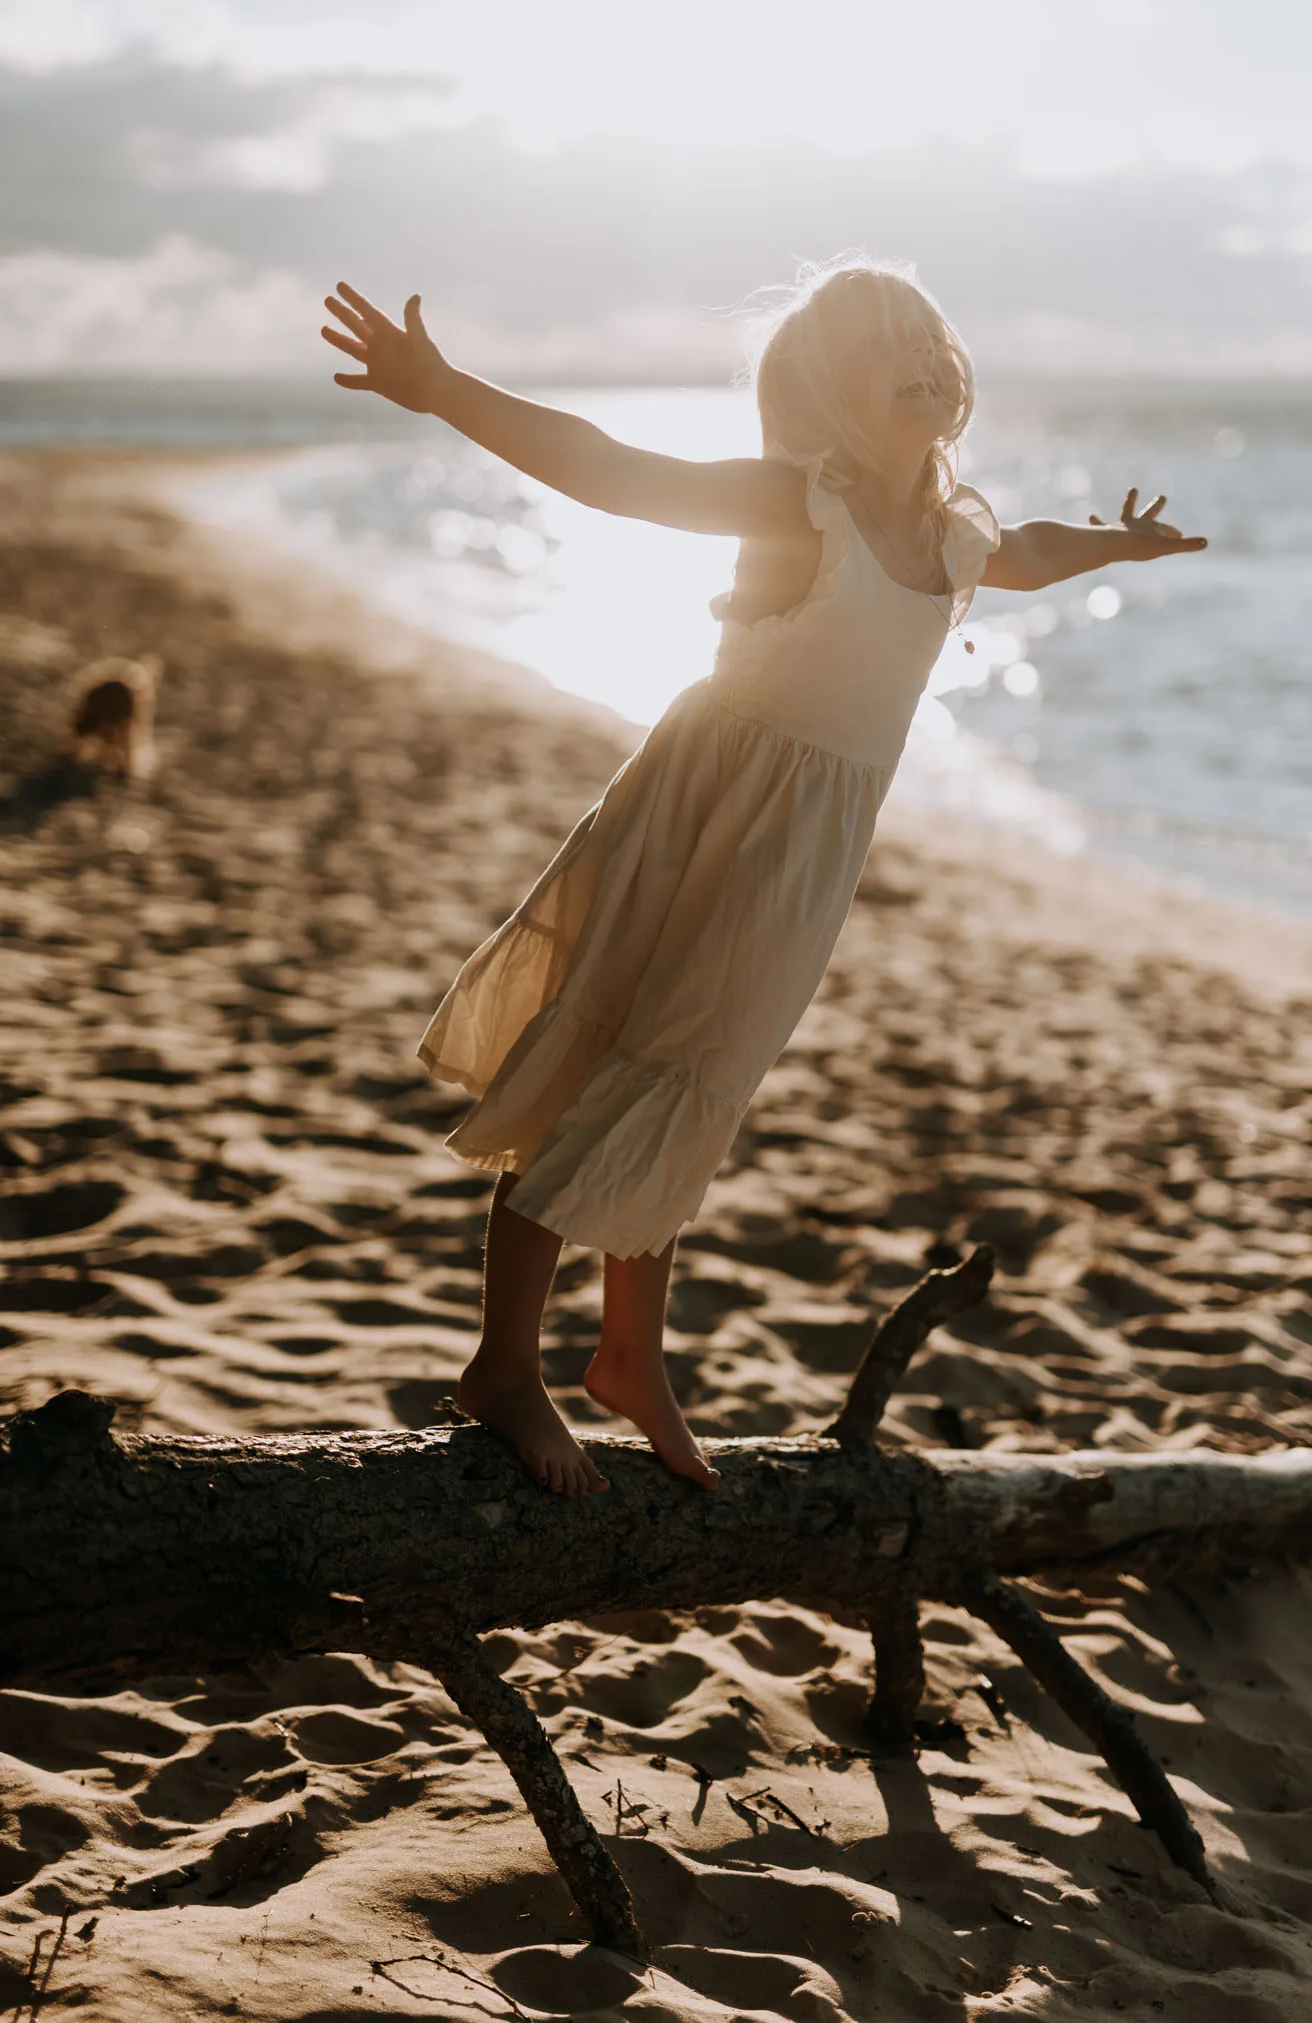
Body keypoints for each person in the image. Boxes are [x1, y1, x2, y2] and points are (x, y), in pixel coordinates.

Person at [321, 257, 1205, 1500]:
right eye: (887, 346)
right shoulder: (800, 504)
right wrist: (447, 389)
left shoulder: (948, 531)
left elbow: (1034, 550)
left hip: (802, 854)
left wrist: (1123, 541)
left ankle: (629, 1354)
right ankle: (505, 1363)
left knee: (699, 1073)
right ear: (826, 389)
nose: (923, 359)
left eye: (932, 338)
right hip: (707, 815)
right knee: (602, 1057)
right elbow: (613, 472)